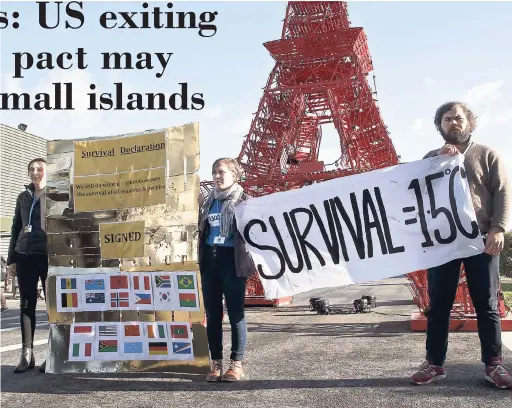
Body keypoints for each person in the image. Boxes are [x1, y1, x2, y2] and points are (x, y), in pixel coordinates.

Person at [411, 102, 512, 389]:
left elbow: (502, 191)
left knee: (487, 304)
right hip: (443, 243)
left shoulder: (487, 154)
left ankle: (494, 365)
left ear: (469, 122)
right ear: (439, 126)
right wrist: (435, 162)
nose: (453, 123)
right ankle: (434, 363)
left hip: (481, 240)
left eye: (458, 118)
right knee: (439, 305)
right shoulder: (430, 157)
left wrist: (498, 228)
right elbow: (417, 191)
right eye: (446, 119)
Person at [197, 158, 255, 382]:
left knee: (236, 314)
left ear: (234, 175)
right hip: (210, 262)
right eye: (213, 172)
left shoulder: (244, 201)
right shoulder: (208, 201)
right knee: (212, 315)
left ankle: (236, 364)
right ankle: (215, 364)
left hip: (232, 262)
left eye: (221, 172)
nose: (216, 176)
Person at [7, 158, 49, 373]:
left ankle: (52, 355)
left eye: (39, 168)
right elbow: (16, 227)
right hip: (25, 255)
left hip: (49, 256)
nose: (35, 172)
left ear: (46, 171)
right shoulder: (23, 197)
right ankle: (26, 355)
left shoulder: (56, 195)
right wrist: (11, 259)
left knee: (54, 307)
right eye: (31, 169)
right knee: (26, 305)